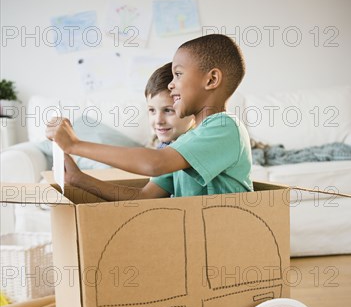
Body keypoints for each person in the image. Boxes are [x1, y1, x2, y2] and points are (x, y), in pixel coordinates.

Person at [46, 34, 253, 200]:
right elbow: (143, 197)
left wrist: (74, 145)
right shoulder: (182, 146)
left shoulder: (225, 126)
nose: (171, 85)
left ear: (212, 79)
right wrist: (78, 178)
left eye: (178, 74)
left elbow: (155, 163)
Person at [145, 62, 194, 149]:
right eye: (152, 110)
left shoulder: (193, 145)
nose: (158, 121)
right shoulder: (156, 140)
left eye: (168, 110)